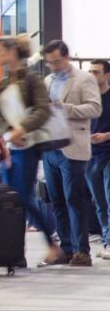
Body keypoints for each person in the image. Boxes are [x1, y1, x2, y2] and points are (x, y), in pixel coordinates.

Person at [0, 35, 63, 267]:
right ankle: (17, 253)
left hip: (29, 146)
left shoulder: (33, 80)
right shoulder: (2, 84)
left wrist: (22, 129)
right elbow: (0, 118)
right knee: (12, 200)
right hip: (9, 147)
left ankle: (50, 245)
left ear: (13, 51)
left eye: (0, 51)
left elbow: (44, 110)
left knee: (23, 197)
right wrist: (6, 139)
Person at [39, 40, 101, 267]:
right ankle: (65, 249)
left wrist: (66, 109)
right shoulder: (47, 81)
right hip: (50, 147)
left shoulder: (84, 79)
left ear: (66, 58)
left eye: (57, 61)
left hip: (73, 147)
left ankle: (81, 251)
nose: (53, 66)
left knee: (74, 199)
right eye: (50, 63)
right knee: (56, 201)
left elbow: (95, 108)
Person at [86, 60, 110, 259]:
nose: (92, 75)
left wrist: (106, 136)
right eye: (90, 71)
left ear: (107, 75)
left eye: (96, 72)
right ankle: (106, 240)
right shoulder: (86, 99)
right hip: (90, 155)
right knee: (99, 202)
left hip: (108, 152)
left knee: (109, 199)